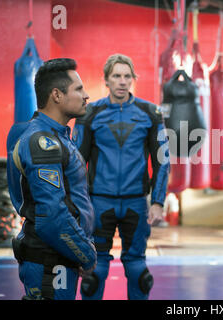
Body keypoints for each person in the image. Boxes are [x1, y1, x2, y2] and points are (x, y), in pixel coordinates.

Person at [73, 53, 170, 300]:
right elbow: (76, 163)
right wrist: (76, 204)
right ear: (106, 80)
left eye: (127, 76)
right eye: (116, 76)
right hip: (98, 203)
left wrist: (158, 202)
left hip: (136, 203)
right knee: (94, 272)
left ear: (133, 79)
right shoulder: (89, 113)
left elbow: (162, 160)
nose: (122, 81)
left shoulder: (151, 113)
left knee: (138, 270)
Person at [6, 58, 97, 300]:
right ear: (56, 95)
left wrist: (78, 250)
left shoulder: (58, 137)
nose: (86, 95)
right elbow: (52, 218)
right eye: (78, 89)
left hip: (61, 255)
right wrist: (86, 255)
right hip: (48, 260)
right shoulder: (42, 142)